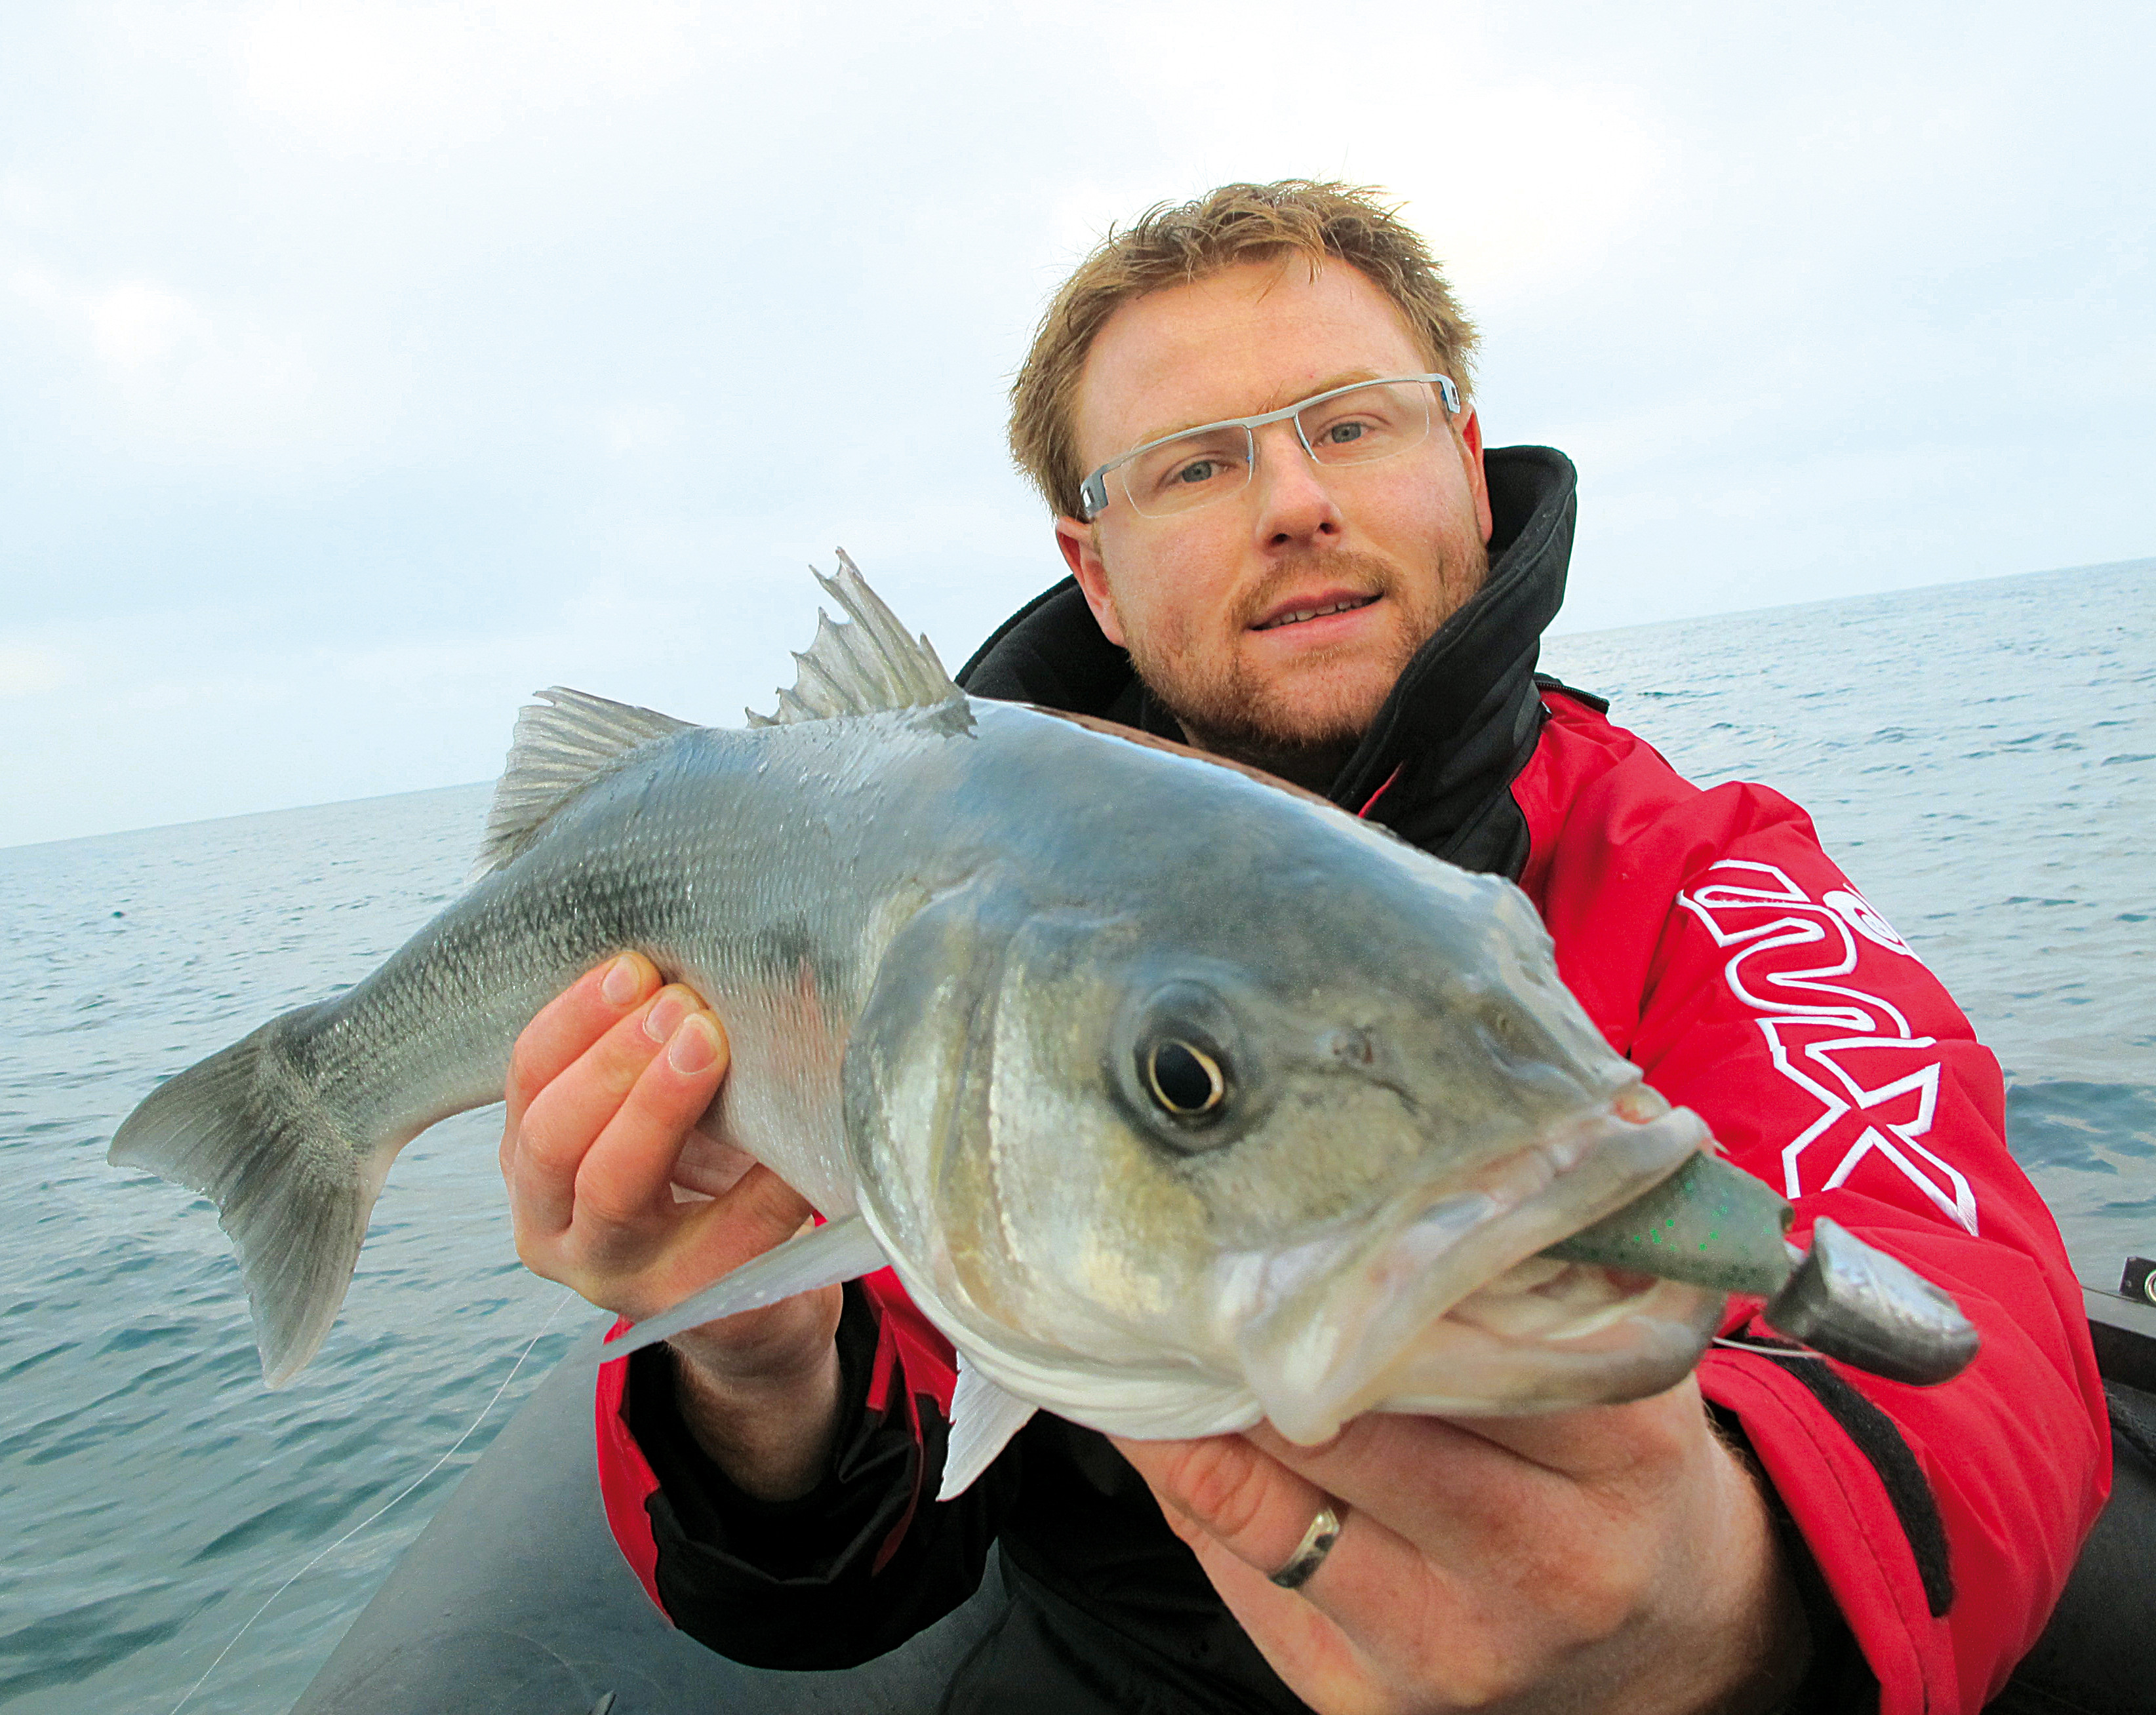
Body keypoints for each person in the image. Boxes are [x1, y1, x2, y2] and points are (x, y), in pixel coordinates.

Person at [494, 182, 2109, 1714]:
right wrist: (759, 1367)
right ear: (1094, 573)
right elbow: (853, 1567)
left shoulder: (1701, 870)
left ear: (1467, 465)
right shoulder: (962, 946)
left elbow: (1967, 1296)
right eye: (1194, 467)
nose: (1296, 502)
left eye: (1351, 423)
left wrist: (1716, 1609)